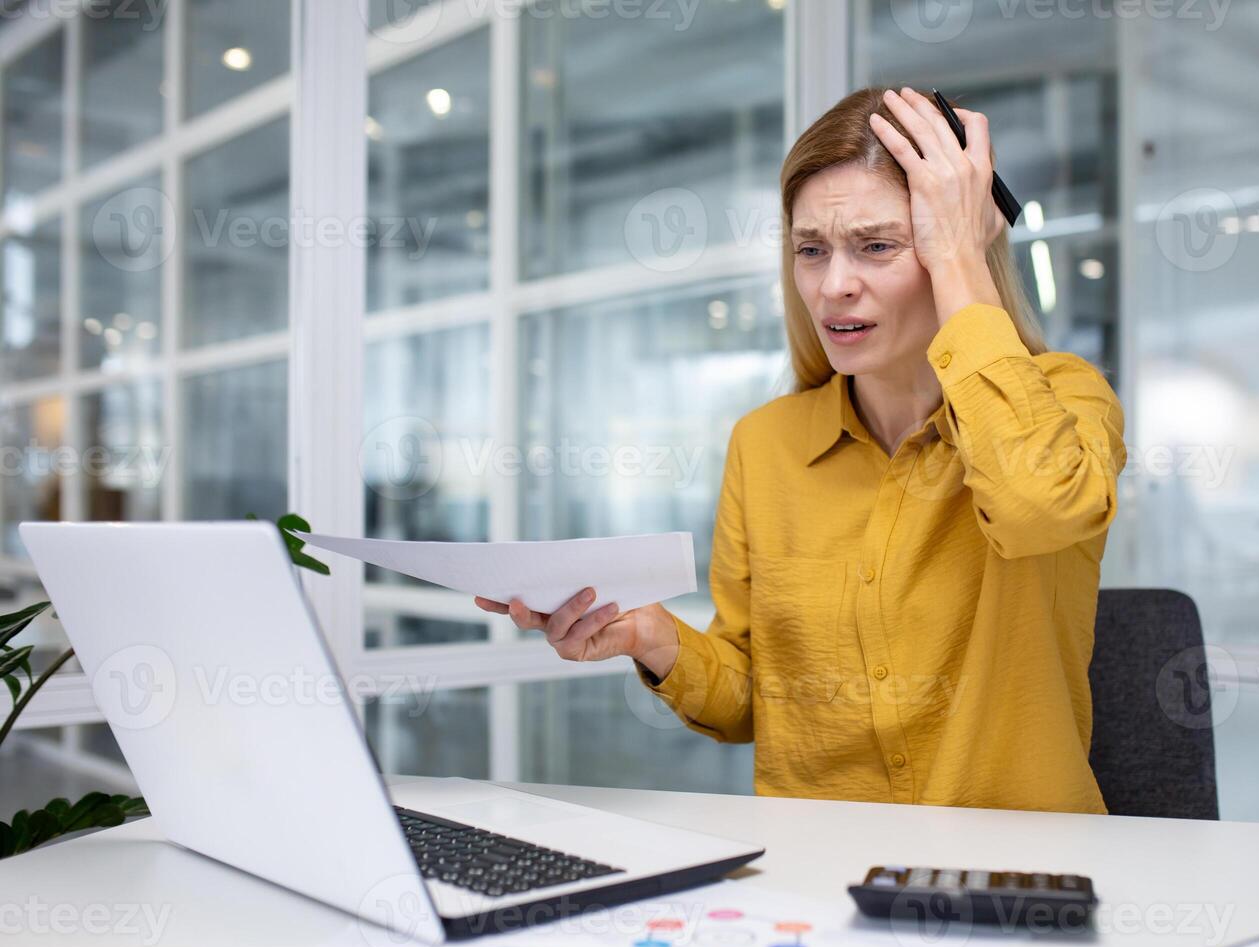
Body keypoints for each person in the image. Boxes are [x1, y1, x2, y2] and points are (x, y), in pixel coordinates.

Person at [475, 87, 1126, 814]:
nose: (834, 287)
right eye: (810, 251)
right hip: (816, 878)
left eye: (878, 246)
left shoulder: (1065, 399)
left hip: (1014, 882)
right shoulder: (766, 443)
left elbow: (1036, 506)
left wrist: (959, 264)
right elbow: (754, 702)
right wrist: (650, 636)